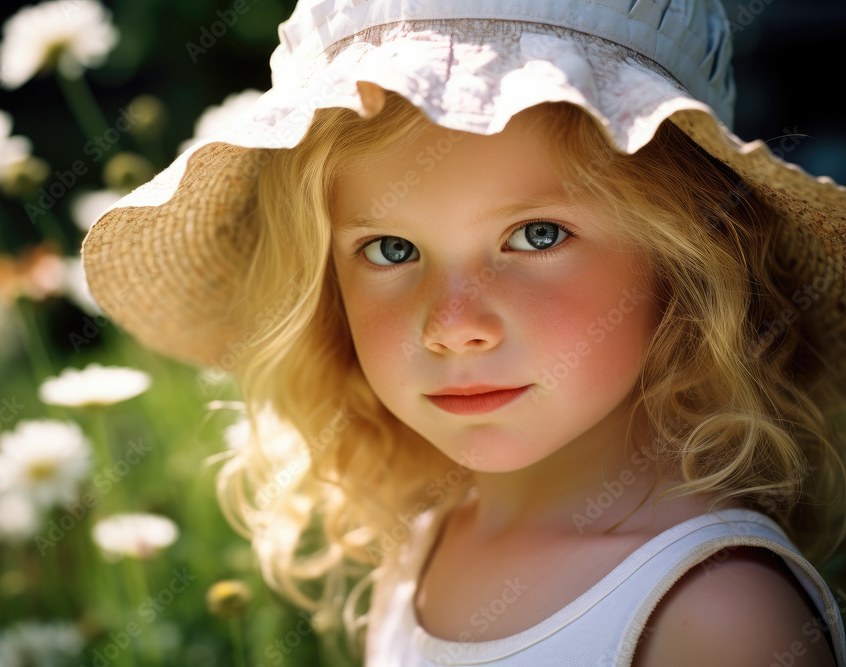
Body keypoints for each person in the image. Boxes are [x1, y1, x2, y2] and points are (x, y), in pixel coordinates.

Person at [81, 0, 846, 664]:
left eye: (537, 235)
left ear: (685, 260)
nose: (453, 327)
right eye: (391, 249)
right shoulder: (419, 551)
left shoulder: (716, 613)